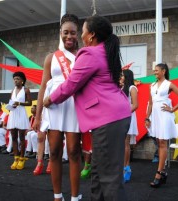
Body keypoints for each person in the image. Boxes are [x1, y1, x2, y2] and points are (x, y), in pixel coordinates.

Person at [43, 15, 131, 201]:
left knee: (109, 178)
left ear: (91, 35)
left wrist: (49, 99)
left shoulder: (89, 53)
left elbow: (71, 85)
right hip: (112, 117)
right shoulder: (104, 51)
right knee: (98, 174)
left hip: (109, 119)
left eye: (81, 31)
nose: (80, 35)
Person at [33, 14, 81, 201]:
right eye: (66, 32)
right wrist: (37, 116)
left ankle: (75, 196)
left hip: (73, 105)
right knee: (53, 151)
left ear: (78, 34)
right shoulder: (51, 58)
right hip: (52, 106)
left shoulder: (83, 56)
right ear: (60, 33)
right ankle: (57, 196)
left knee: (74, 151)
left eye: (73, 33)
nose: (69, 37)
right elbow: (43, 87)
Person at [145, 63, 178, 188]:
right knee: (159, 142)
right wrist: (147, 117)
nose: (154, 72)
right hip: (155, 117)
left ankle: (159, 174)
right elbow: (150, 104)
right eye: (154, 71)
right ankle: (163, 172)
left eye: (157, 70)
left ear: (164, 71)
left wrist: (173, 109)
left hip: (164, 116)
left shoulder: (169, 84)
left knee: (162, 143)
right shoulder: (151, 86)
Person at [7, 71, 32, 170]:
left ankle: (22, 158)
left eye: (17, 79)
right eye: (14, 79)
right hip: (13, 113)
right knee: (13, 137)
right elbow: (11, 102)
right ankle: (15, 158)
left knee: (21, 137)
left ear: (22, 81)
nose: (15, 81)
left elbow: (29, 103)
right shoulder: (12, 91)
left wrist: (19, 103)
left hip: (21, 113)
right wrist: (11, 106)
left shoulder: (26, 90)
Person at [120, 69, 139, 183]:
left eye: (122, 75)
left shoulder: (132, 88)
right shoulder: (121, 88)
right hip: (121, 117)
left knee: (126, 143)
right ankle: (124, 167)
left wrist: (124, 114)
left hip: (128, 116)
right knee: (122, 144)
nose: (121, 77)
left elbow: (135, 105)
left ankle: (126, 168)